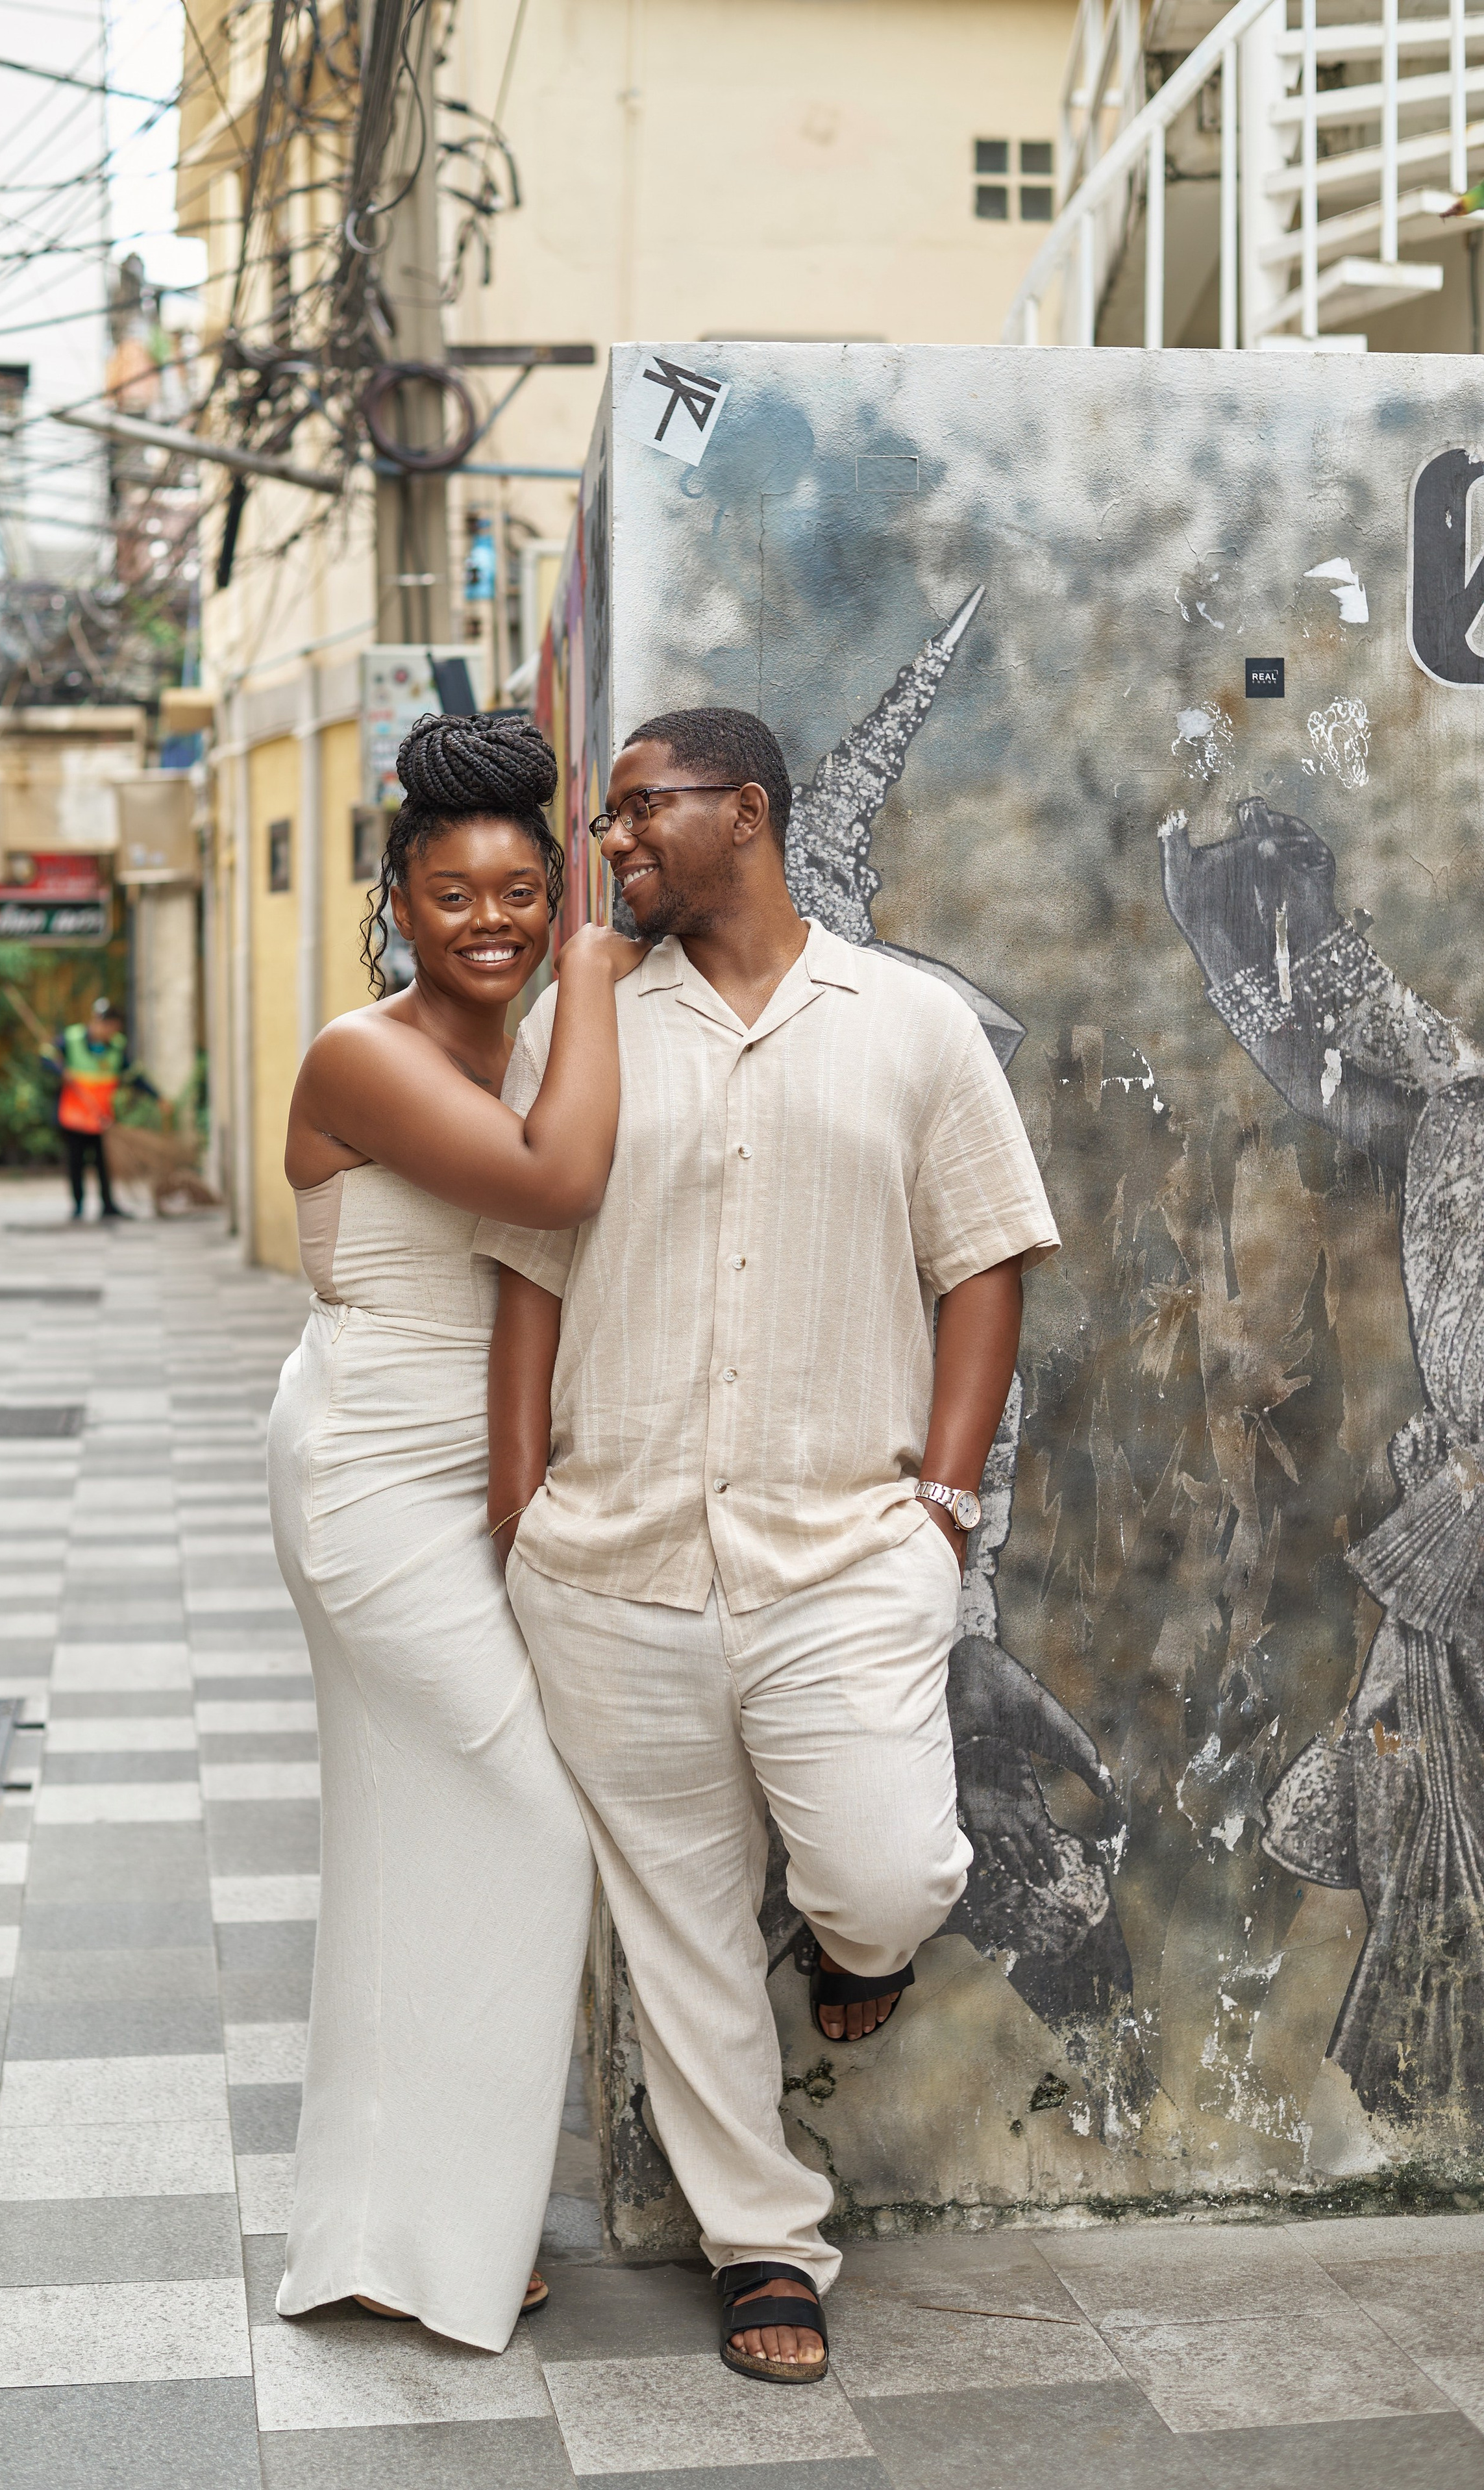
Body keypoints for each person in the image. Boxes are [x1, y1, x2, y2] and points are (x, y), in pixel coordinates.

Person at [478, 707, 1059, 2385]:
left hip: (846, 1547)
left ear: (751, 807)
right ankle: (765, 2245)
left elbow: (987, 1260)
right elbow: (529, 1264)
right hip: (617, 1560)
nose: (613, 842)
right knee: (681, 1929)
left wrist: (945, 1500)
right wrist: (522, 1497)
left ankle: (863, 1953)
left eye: (643, 808)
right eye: (609, 820)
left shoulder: (912, 1027)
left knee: (885, 1866)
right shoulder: (584, 1027)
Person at [267, 712, 640, 2354]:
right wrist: (601, 971)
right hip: (365, 1480)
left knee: (406, 1844)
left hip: (478, 1470)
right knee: (524, 1821)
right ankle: (445, 2223)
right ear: (395, 903)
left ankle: (402, 2227)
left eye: (516, 891)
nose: (483, 920)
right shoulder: (365, 1053)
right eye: (449, 893)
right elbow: (556, 1190)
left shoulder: (532, 1041)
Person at [49, 997, 152, 1221]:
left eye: (114, 1027)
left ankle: (108, 1205)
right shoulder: (72, 1038)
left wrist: (157, 1097)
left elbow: (133, 1076)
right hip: (75, 1117)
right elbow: (46, 1055)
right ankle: (78, 1206)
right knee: (76, 1164)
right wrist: (60, 1070)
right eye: (107, 1025)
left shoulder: (116, 1046)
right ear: (96, 1021)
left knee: (104, 1164)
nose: (110, 1031)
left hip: (101, 1117)